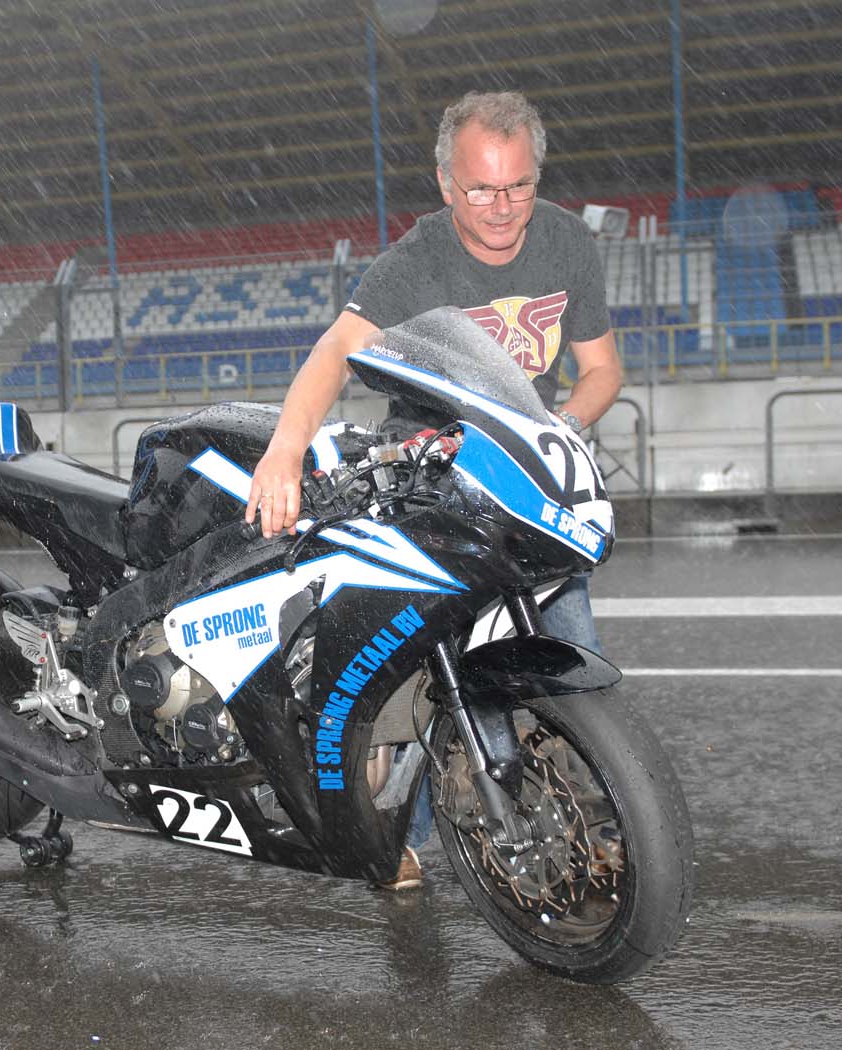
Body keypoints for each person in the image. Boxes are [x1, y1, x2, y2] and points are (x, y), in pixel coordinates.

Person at [245, 90, 622, 890]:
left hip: (523, 481)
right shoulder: (416, 261)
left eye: (518, 185)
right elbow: (332, 353)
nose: (501, 208)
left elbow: (600, 370)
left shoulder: (565, 243)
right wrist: (284, 452)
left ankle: (594, 816)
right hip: (431, 480)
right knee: (436, 663)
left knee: (569, 668)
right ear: (447, 182)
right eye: (481, 188)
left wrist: (563, 424)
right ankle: (402, 831)